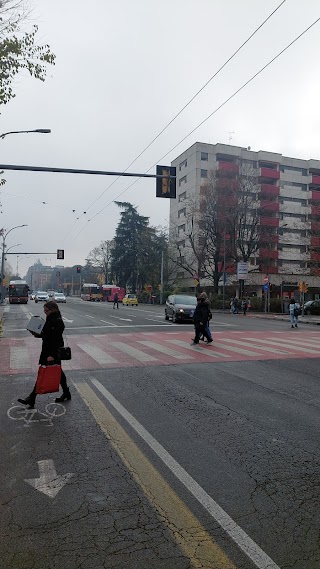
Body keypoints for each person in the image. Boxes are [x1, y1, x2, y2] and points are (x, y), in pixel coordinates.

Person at [18, 300, 71, 409]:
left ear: (53, 310)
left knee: (43, 374)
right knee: (59, 373)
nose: (45, 312)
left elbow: (56, 340)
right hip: (48, 350)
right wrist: (36, 334)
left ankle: (32, 398)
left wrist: (51, 355)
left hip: (52, 352)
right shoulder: (51, 319)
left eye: (46, 310)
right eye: (44, 310)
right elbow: (46, 334)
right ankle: (66, 393)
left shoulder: (57, 321)